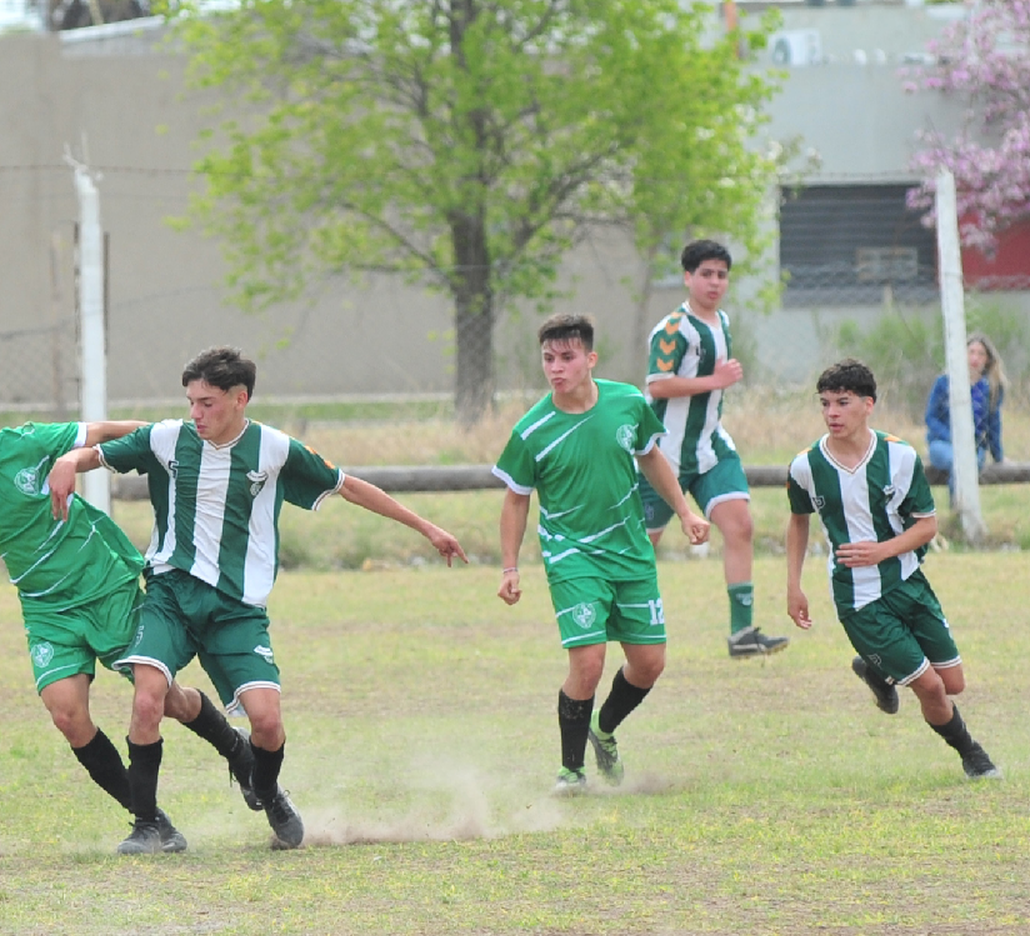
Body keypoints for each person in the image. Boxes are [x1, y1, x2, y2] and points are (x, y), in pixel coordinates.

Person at [47, 346, 468, 852]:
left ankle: (264, 787)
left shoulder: (273, 449)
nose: (195, 413)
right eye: (190, 402)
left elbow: (347, 487)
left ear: (239, 399)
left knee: (267, 722)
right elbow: (95, 453)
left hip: (237, 608)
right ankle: (147, 826)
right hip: (169, 594)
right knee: (146, 699)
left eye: (207, 403)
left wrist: (426, 527)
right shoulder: (166, 438)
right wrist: (70, 461)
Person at [0, 369, 260, 854]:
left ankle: (235, 748)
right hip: (47, 610)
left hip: (104, 586)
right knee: (67, 715)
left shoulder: (30, 443)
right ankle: (151, 823)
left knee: (168, 702)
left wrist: (172, 438)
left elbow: (104, 432)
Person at [495, 313, 712, 794]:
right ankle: (571, 772)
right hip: (572, 555)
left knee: (649, 663)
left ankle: (604, 729)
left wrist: (686, 511)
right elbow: (515, 499)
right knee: (589, 662)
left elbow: (651, 456)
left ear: (590, 359)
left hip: (630, 550)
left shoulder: (629, 403)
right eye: (548, 358)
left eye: (567, 358)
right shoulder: (532, 430)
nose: (556, 368)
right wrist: (510, 567)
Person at [785, 358, 1001, 780]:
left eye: (842, 403)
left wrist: (882, 551)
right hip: (858, 596)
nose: (832, 413)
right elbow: (797, 521)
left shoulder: (899, 456)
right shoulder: (806, 466)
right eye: (825, 404)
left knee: (953, 683)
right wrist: (793, 587)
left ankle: (876, 668)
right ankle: (974, 757)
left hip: (908, 582)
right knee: (932, 689)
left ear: (868, 405)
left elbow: (927, 526)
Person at [638, 239, 787, 659]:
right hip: (662, 454)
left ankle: (742, 635)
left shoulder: (722, 320)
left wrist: (713, 388)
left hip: (709, 447)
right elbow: (657, 383)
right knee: (640, 546)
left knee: (740, 526)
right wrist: (713, 382)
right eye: (706, 274)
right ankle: (627, 624)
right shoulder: (673, 329)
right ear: (688, 277)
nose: (714, 282)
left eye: (721, 274)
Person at [925, 332, 1007, 496]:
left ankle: (962, 511)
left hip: (973, 447)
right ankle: (959, 511)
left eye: (981, 354)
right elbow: (931, 418)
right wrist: (952, 438)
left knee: (969, 462)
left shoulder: (991, 389)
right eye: (971, 352)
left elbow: (993, 424)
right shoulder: (944, 383)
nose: (975, 358)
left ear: (988, 359)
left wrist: (999, 457)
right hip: (942, 444)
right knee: (958, 462)